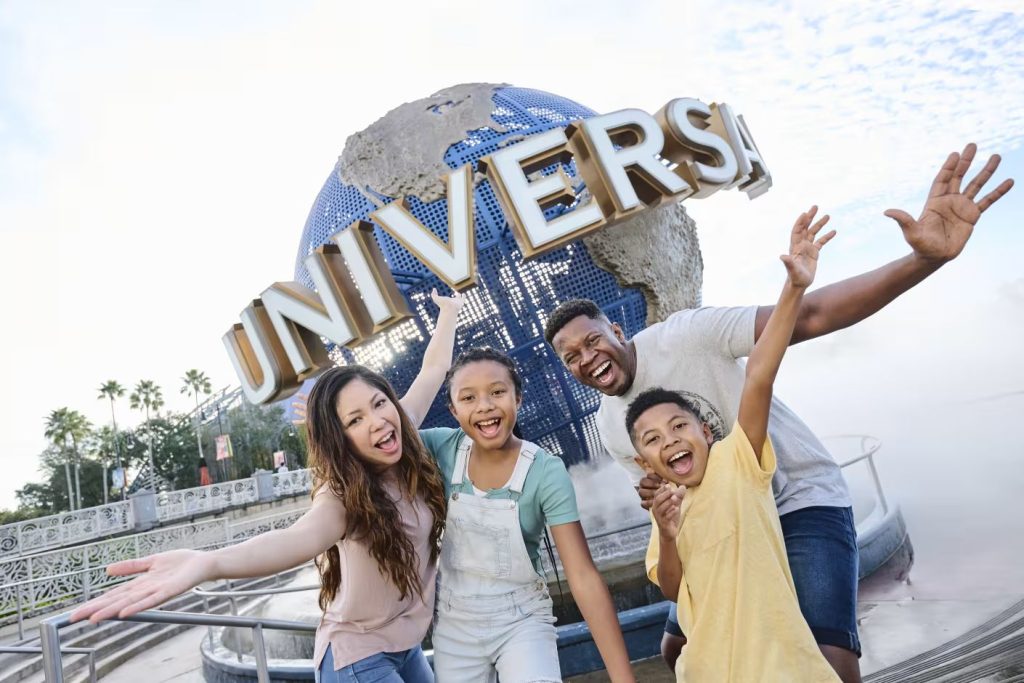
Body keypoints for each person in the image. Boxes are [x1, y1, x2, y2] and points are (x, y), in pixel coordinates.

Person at [544, 144, 1014, 683]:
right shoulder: (610, 427)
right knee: (678, 649)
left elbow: (806, 318)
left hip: (797, 501)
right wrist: (657, 503)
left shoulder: (689, 335)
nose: (587, 358)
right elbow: (669, 504)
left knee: (829, 660)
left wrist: (924, 260)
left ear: (618, 333)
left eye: (593, 341)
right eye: (571, 357)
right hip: (729, 526)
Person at [70, 289, 466, 683]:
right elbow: (293, 539)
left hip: (405, 647)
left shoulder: (404, 432)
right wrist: (209, 562)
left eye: (379, 404)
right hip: (360, 658)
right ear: (340, 438)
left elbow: (432, 371)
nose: (377, 421)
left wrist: (449, 311)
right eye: (355, 420)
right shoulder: (344, 496)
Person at [630, 211, 839, 681]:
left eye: (679, 425)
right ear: (646, 463)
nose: (672, 441)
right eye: (654, 440)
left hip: (784, 667)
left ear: (707, 431)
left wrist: (794, 288)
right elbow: (672, 588)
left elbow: (760, 373)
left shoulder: (737, 462)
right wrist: (665, 533)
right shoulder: (666, 511)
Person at [420, 346, 635, 683]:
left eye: (497, 392)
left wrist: (624, 680)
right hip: (454, 623)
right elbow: (385, 432)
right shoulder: (440, 448)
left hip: (522, 620)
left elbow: (582, 577)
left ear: (517, 398)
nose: (485, 406)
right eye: (468, 398)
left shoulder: (545, 471)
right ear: (453, 410)